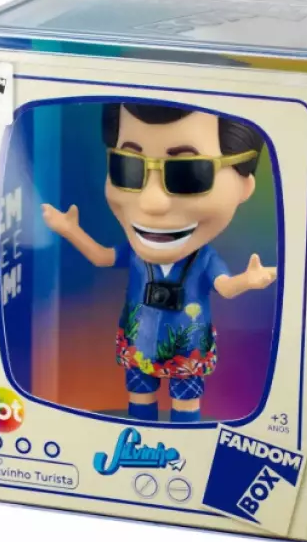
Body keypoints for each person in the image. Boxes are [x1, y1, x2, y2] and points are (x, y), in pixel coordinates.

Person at [42, 103, 277, 422]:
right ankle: (140, 441)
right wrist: (70, 230)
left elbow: (224, 287)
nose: (152, 203)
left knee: (186, 404)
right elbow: (102, 257)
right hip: (140, 343)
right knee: (139, 399)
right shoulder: (135, 253)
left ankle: (184, 446)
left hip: (188, 349)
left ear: (244, 184)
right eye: (128, 166)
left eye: (188, 173)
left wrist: (248, 280)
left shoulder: (204, 259)